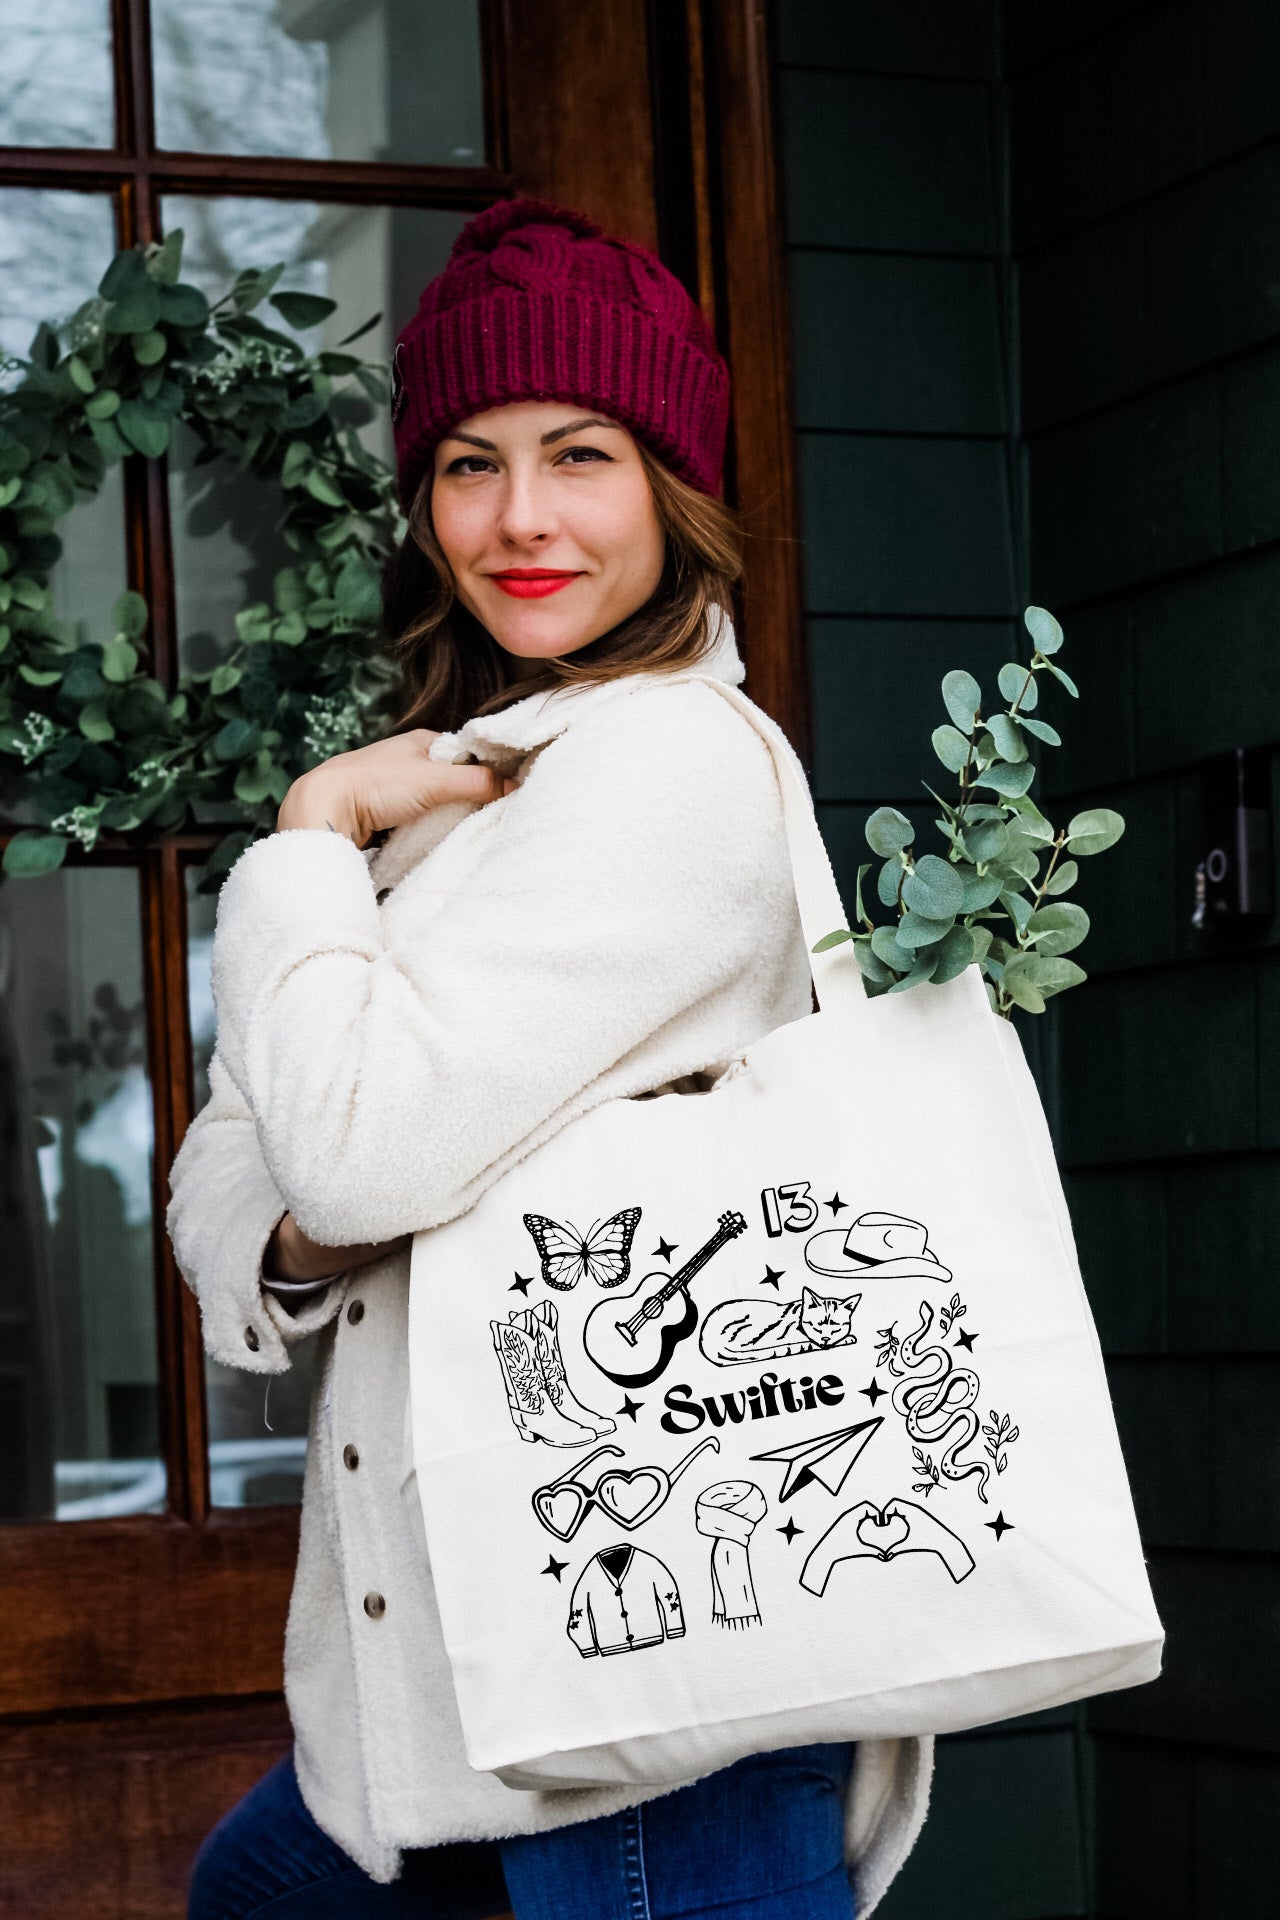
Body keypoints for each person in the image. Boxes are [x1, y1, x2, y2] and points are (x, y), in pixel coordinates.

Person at [171, 199, 932, 1920]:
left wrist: (305, 836)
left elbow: (348, 1152)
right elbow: (238, 1173)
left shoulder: (663, 767)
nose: (518, 519)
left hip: (653, 1682)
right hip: (451, 1684)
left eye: (578, 454)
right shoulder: (464, 789)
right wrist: (312, 1203)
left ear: (672, 485)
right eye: (466, 462)